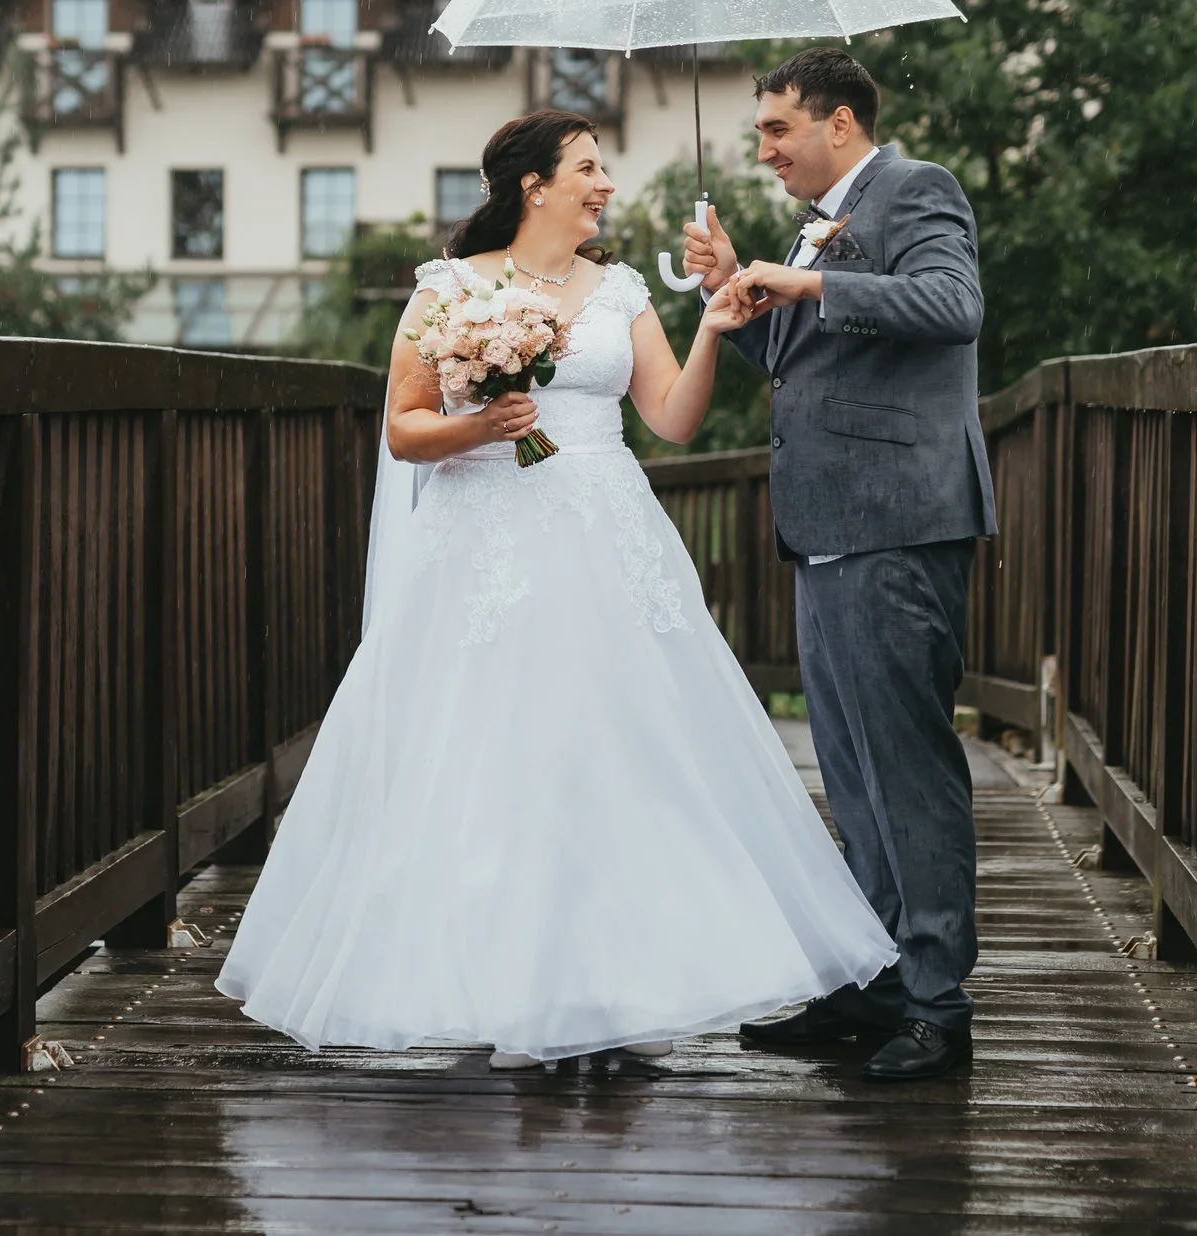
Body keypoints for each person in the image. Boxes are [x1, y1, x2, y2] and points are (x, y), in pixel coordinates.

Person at [216, 109, 897, 1068]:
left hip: (609, 541)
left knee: (615, 758)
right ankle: (509, 988)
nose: (606, 184)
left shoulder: (620, 289)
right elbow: (404, 428)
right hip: (484, 547)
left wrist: (711, 328)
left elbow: (672, 420)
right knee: (497, 765)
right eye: (587, 168)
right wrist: (480, 427)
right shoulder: (451, 289)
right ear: (534, 185)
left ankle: (614, 993)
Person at [679, 46, 994, 1082]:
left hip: (897, 520)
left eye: (779, 129)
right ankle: (877, 980)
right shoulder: (817, 221)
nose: (765, 150)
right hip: (824, 525)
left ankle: (937, 1006)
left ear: (841, 124)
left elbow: (953, 306)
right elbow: (793, 360)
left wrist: (812, 277)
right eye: (761, 132)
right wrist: (731, 286)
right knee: (853, 775)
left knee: (907, 771)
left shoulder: (916, 190)